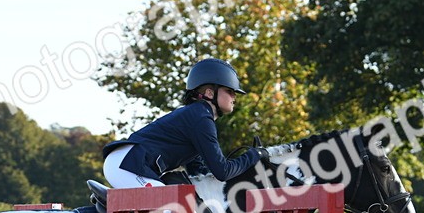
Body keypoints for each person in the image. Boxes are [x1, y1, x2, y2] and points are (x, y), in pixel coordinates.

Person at [101, 58, 300, 189]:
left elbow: (199, 172)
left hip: (127, 162)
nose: (234, 97)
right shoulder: (200, 118)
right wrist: (254, 155)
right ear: (210, 93)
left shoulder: (195, 117)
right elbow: (222, 172)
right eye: (229, 91)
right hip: (126, 165)